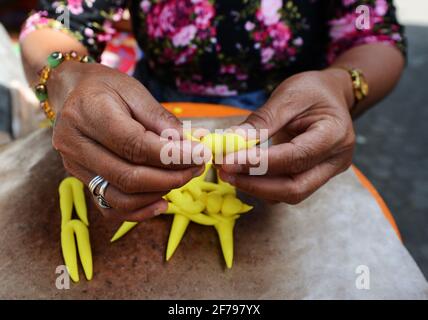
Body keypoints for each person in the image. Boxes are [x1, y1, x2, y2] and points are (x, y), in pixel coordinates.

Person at [19, 0, 406, 221]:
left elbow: (374, 34)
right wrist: (66, 76)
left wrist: (341, 85)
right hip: (153, 119)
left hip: (293, 127)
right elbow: (57, 22)